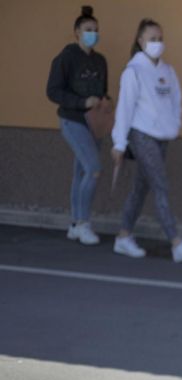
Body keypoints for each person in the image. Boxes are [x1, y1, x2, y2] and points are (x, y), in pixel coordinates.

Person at [110, 18, 182, 263]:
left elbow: (176, 101)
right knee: (160, 185)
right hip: (142, 136)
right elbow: (125, 108)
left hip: (162, 138)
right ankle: (176, 243)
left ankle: (123, 237)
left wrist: (174, 125)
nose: (157, 43)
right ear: (141, 41)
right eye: (152, 39)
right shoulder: (133, 71)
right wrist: (119, 142)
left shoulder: (167, 71)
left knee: (141, 188)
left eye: (160, 38)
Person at [47, 5, 108, 247]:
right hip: (72, 120)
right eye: (87, 29)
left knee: (81, 172)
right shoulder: (65, 58)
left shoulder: (100, 60)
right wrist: (82, 101)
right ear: (76, 32)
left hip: (95, 122)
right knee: (94, 168)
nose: (92, 33)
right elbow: (52, 91)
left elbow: (103, 89)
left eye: (95, 30)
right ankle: (83, 223)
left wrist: (105, 101)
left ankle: (74, 224)